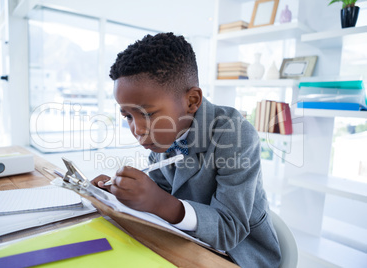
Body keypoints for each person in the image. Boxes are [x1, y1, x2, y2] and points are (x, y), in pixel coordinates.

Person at [92, 32, 281, 267]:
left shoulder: (236, 134)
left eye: (148, 113)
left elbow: (230, 229)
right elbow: (160, 190)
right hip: (187, 241)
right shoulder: (162, 136)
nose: (138, 129)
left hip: (239, 255)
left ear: (192, 101)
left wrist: (158, 202)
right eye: (127, 116)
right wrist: (124, 196)